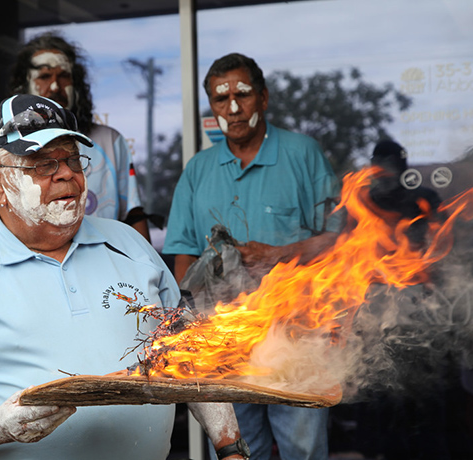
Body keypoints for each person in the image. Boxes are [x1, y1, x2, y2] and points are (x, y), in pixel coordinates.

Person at [0, 94, 249, 460]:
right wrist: (1, 423)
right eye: (42, 164)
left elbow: (190, 351)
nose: (67, 172)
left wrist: (230, 448)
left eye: (72, 159)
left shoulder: (130, 244)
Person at [163, 52, 341, 460]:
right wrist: (193, 331)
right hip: (225, 342)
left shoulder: (302, 154)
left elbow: (339, 240)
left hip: (297, 337)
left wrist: (280, 254)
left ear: (263, 98)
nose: (232, 107)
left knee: (304, 449)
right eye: (220, 99)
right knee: (238, 451)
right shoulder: (198, 170)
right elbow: (184, 257)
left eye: (242, 95)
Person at [0, 31, 152, 242]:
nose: (56, 86)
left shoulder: (110, 141)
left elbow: (133, 215)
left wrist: (143, 262)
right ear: (24, 85)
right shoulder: (6, 146)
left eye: (64, 76)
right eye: (44, 76)